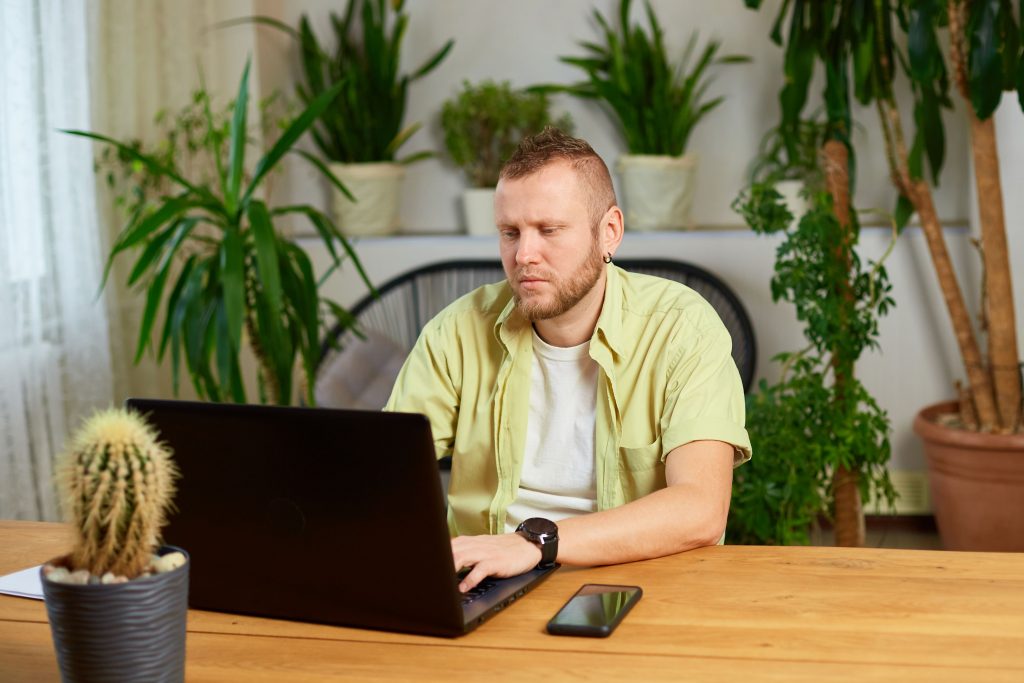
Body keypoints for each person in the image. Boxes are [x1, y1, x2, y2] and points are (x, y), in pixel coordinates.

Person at [385, 128, 751, 592]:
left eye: (550, 230)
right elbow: (382, 480)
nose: (524, 255)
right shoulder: (456, 331)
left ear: (609, 231)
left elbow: (700, 509)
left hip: (635, 584)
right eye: (509, 233)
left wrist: (534, 543)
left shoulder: (682, 327)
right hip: (481, 586)